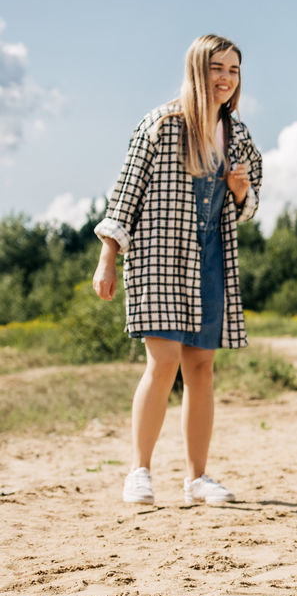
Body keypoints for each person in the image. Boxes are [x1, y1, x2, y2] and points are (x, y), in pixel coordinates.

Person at [91, 34, 263, 506]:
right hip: (158, 257)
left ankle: (197, 478)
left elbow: (249, 208)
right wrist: (108, 256)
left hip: (211, 258)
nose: (226, 78)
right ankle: (139, 471)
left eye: (233, 70)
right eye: (217, 68)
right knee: (164, 362)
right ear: (197, 69)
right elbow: (125, 193)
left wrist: (241, 190)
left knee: (201, 368)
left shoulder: (239, 136)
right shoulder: (161, 124)